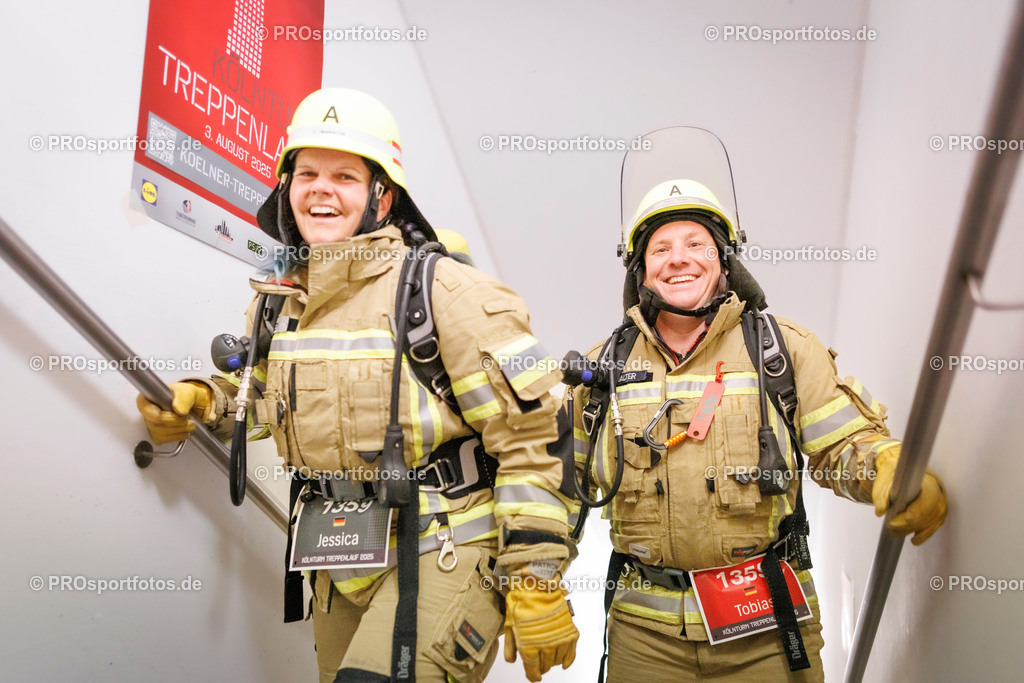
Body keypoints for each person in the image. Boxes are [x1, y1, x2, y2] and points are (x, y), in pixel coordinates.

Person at [137, 88, 579, 683]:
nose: (321, 189)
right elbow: (265, 405)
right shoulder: (279, 302)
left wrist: (535, 576)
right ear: (286, 188)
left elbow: (535, 439)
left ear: (382, 197)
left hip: (445, 545)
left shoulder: (448, 293)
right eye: (307, 174)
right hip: (338, 558)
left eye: (345, 176)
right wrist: (205, 403)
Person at [566, 127, 947, 681]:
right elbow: (556, 487)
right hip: (644, 642)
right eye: (660, 249)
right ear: (640, 269)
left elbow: (845, 446)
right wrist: (537, 583)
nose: (679, 260)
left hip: (766, 630)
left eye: (696, 244)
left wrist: (890, 466)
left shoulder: (782, 349)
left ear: (725, 261)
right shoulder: (600, 369)